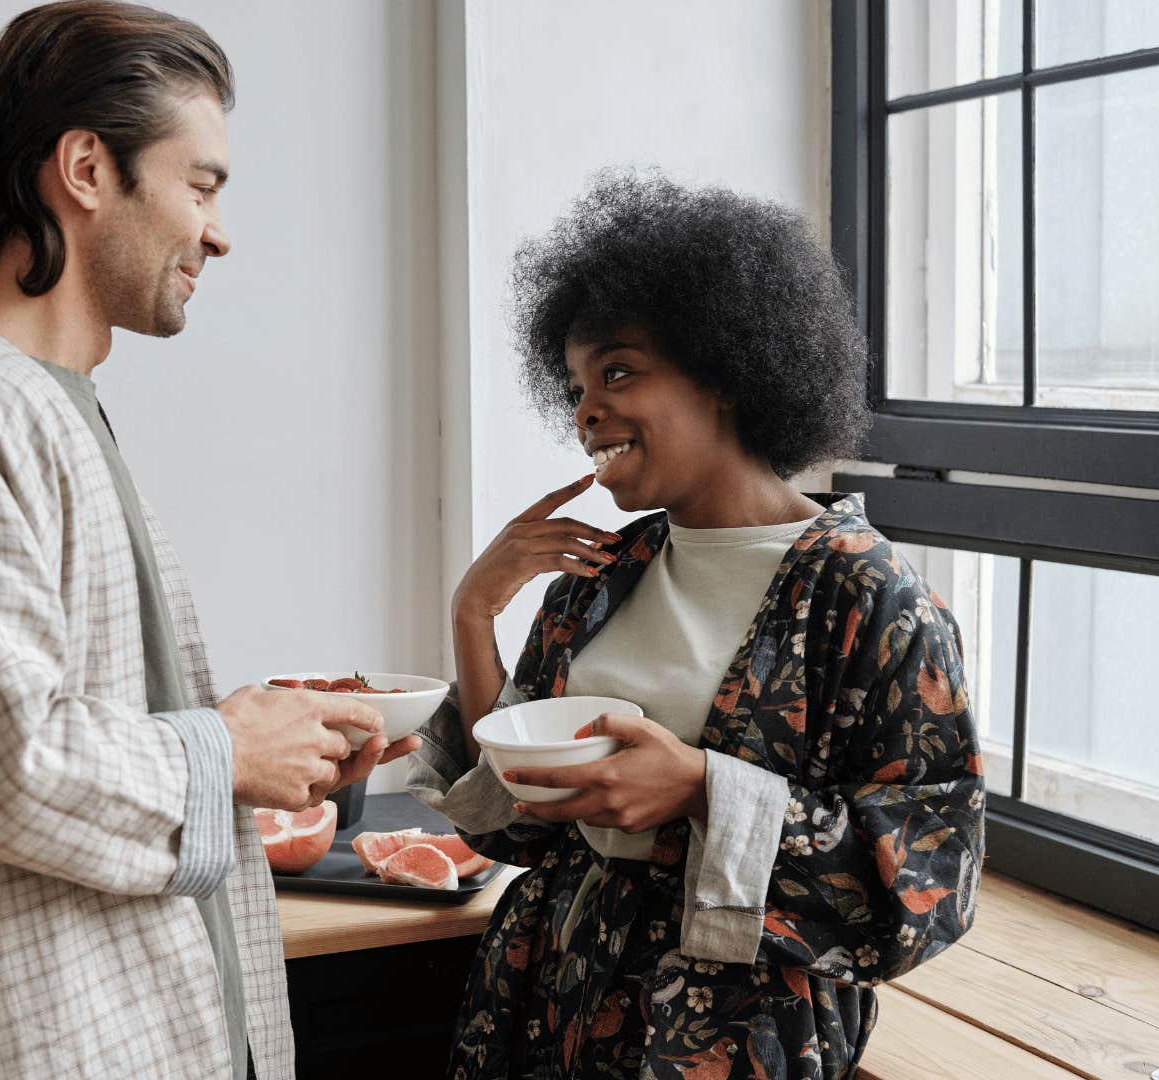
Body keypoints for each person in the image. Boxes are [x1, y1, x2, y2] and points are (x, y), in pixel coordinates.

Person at [0, 4, 416, 1076]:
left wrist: (277, 742)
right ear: (88, 169)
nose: (219, 232)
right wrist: (228, 750)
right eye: (201, 185)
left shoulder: (46, 403)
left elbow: (44, 718)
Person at [408, 170, 985, 1079]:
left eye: (619, 371)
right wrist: (473, 612)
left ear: (725, 368)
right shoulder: (601, 574)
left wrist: (702, 790)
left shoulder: (871, 596)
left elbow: (931, 880)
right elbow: (513, 830)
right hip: (547, 999)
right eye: (575, 385)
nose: (585, 409)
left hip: (727, 1038)